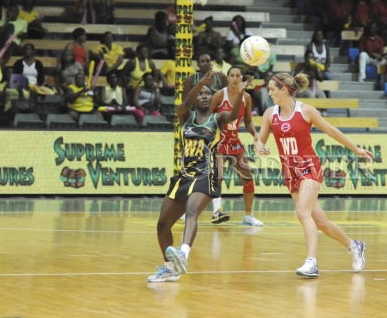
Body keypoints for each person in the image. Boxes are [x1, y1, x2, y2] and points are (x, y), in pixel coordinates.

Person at [254, 72, 372, 277]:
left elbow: (332, 131)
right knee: (321, 223)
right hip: (289, 171)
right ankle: (354, 245)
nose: (269, 93)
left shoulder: (306, 111)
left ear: (283, 90)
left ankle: (312, 262)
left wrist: (357, 149)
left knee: (302, 213)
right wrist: (260, 148)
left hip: (309, 167)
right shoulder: (269, 114)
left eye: (272, 89)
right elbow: (260, 141)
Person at [148, 70, 252, 282]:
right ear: (194, 99)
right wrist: (201, 82)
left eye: (208, 93)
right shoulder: (185, 116)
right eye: (201, 93)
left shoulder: (218, 118)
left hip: (207, 174)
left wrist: (240, 93)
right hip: (184, 176)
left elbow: (233, 115)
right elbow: (184, 103)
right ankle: (170, 269)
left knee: (192, 210)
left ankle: (183, 255)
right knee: (162, 225)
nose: (205, 96)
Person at [209, 67, 263, 226]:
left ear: (241, 78)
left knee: (248, 179)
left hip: (234, 142)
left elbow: (248, 121)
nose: (234, 78)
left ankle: (248, 216)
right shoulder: (219, 95)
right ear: (227, 78)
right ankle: (216, 211)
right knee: (218, 175)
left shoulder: (246, 97)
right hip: (218, 141)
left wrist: (255, 134)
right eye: (231, 75)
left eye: (237, 75)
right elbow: (207, 117)